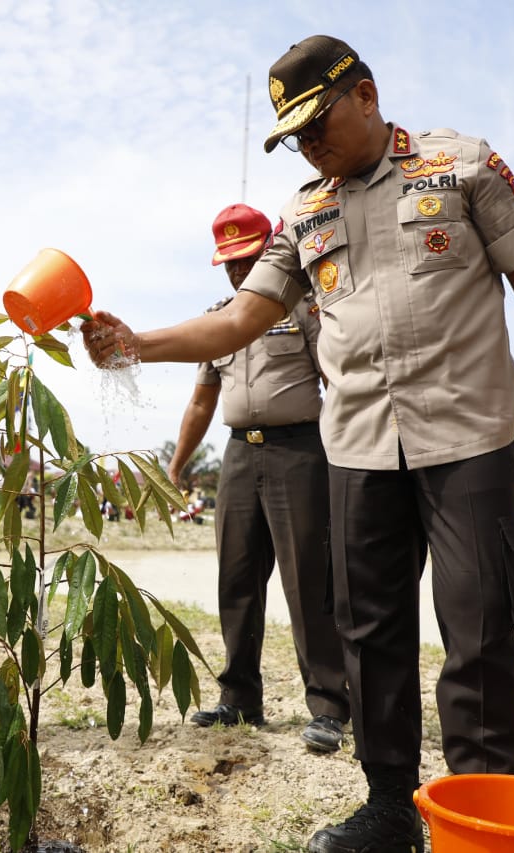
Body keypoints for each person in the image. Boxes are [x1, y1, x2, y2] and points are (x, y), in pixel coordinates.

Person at [82, 35, 514, 853]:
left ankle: (487, 819)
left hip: (464, 438)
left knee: (477, 629)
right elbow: (239, 319)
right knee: (370, 634)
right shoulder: (302, 211)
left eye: (317, 122)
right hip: (357, 448)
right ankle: (390, 806)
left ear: (365, 94)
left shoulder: (460, 165)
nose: (309, 144)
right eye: (294, 136)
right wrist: (134, 342)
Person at [167, 203, 348, 753]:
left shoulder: (306, 309)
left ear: (270, 251)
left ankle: (329, 706)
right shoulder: (219, 318)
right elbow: (202, 400)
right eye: (229, 264)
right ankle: (238, 697)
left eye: (247, 260)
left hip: (300, 452)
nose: (239, 273)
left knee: (307, 581)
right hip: (239, 456)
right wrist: (176, 466)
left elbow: (336, 381)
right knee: (237, 577)